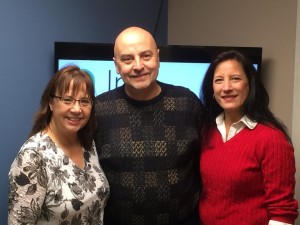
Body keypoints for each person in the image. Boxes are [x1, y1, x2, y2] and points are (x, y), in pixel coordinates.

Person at [94, 26, 203, 225]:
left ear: (158, 58)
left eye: (146, 56)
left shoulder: (187, 103)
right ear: (116, 65)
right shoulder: (99, 109)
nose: (138, 66)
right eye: (127, 59)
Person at [199, 50, 298, 225]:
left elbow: (282, 212)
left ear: (250, 84)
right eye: (219, 80)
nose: (227, 87)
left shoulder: (271, 138)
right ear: (212, 89)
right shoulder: (208, 131)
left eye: (235, 78)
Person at [8, 66, 110, 224]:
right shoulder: (33, 156)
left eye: (84, 101)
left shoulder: (89, 144)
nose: (77, 109)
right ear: (51, 103)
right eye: (67, 100)